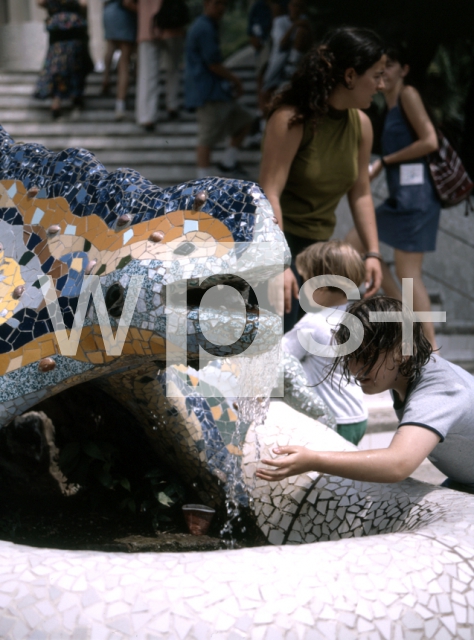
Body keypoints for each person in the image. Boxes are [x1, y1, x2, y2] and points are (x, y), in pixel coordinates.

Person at [257, 296, 474, 494]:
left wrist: (314, 460)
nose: (354, 368)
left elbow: (398, 464)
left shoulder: (439, 392)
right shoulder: (406, 371)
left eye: (364, 355)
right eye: (350, 356)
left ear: (402, 351)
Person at [259, 27, 384, 333]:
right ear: (351, 76)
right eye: (377, 75)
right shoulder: (292, 119)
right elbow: (268, 193)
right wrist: (280, 264)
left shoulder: (362, 125)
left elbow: (361, 193)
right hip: (279, 245)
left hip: (319, 254)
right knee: (275, 351)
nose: (382, 85)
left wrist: (373, 253)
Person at [345, 45, 441, 350]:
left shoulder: (407, 95)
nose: (384, 71)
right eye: (380, 66)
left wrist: (383, 162)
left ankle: (429, 348)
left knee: (409, 273)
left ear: (405, 69)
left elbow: (430, 141)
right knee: (356, 246)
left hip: (418, 198)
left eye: (391, 65)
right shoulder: (388, 106)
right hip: (402, 199)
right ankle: (402, 312)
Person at [282, 241, 368, 444]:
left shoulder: (312, 324)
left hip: (331, 420)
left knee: (319, 473)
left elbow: (278, 356)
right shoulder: (354, 318)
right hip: (356, 416)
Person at [184, 0, 254, 179]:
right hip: (208, 93)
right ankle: (202, 182)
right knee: (206, 139)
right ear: (207, 4)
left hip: (219, 92)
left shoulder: (209, 26)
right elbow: (214, 64)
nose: (221, 8)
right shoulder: (203, 28)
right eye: (217, 4)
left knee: (245, 121)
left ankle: (228, 163)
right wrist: (236, 80)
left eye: (224, 4)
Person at [35, 0, 93, 120]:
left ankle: (58, 100)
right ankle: (73, 96)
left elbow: (40, 3)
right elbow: (84, 4)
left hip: (58, 27)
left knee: (58, 63)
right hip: (72, 27)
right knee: (73, 62)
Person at [135, 0, 186, 131]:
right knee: (173, 69)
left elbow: (127, 3)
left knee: (148, 74)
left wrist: (147, 12)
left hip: (148, 26)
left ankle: (147, 116)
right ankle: (172, 105)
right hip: (172, 24)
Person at [262, 0, 312, 96]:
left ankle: (292, 65)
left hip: (294, 65)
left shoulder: (304, 23)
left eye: (299, 6)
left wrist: (308, 28)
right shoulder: (280, 21)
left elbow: (311, 44)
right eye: (294, 6)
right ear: (289, 6)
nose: (296, 9)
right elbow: (282, 43)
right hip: (279, 61)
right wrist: (295, 25)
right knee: (268, 91)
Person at [102, 0, 138, 120]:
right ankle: (120, 104)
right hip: (123, 14)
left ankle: (106, 77)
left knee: (110, 47)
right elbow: (127, 2)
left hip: (108, 11)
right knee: (124, 60)